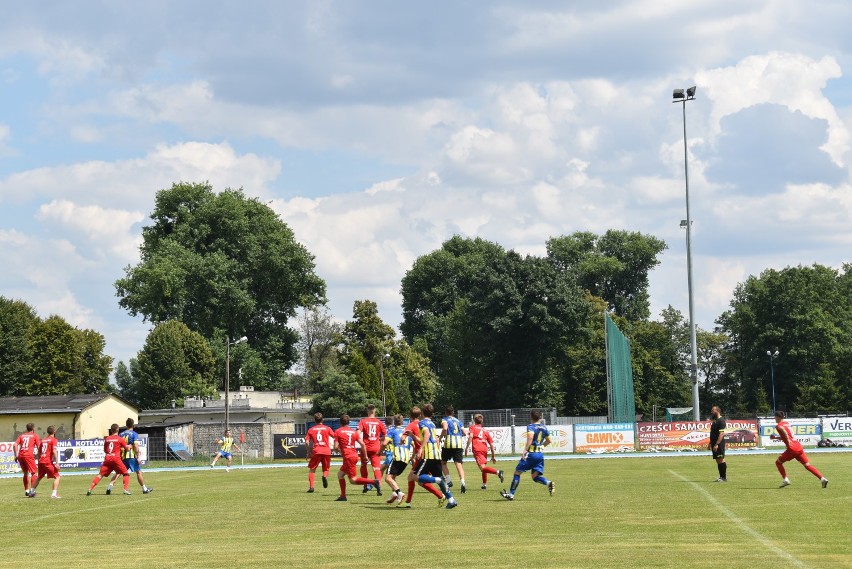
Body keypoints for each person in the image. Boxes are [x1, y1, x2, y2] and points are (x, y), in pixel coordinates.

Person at [408, 403, 457, 509]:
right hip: (436, 454)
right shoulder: (433, 424)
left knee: (415, 476)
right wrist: (413, 436)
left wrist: (420, 449)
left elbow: (427, 435)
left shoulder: (421, 423)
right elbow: (427, 438)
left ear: (422, 413)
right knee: (439, 479)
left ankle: (437, 480)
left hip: (428, 454)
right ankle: (451, 500)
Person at [501, 410, 554, 501]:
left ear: (531, 417)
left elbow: (530, 437)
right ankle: (548, 483)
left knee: (517, 473)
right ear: (540, 417)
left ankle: (511, 494)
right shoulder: (544, 427)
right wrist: (541, 446)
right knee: (534, 477)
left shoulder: (531, 426)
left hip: (531, 454)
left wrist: (525, 450)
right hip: (540, 455)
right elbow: (549, 440)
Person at [772, 411, 828, 489]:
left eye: (775, 417)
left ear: (778, 417)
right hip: (798, 447)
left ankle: (786, 479)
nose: (774, 419)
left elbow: (784, 433)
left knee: (778, 462)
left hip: (792, 449)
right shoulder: (787, 423)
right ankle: (822, 479)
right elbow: (787, 435)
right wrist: (776, 438)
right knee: (807, 465)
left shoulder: (779, 426)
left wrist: (788, 441)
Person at [332, 414, 381, 501]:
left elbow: (335, 447)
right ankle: (343, 496)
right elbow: (362, 444)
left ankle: (374, 482)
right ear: (349, 422)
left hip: (348, 457)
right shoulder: (353, 432)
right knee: (340, 474)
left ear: (340, 422)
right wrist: (365, 456)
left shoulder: (338, 431)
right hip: (354, 455)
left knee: (353, 480)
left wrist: (340, 450)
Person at [107, 418, 152, 495]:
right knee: (138, 472)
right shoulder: (134, 434)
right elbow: (135, 445)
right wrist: (138, 456)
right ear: (133, 425)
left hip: (123, 456)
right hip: (131, 456)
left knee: (118, 472)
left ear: (126, 425)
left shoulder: (121, 434)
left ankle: (109, 488)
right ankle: (144, 489)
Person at [87, 423, 131, 495]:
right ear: (118, 430)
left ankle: (90, 489)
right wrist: (130, 446)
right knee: (125, 473)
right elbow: (127, 449)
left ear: (111, 430)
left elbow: (105, 450)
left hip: (108, 458)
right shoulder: (120, 439)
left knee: (100, 475)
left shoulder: (107, 439)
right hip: (116, 459)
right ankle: (125, 490)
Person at [465, 413, 503, 489]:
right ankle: (484, 484)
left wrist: (466, 448)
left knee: (482, 468)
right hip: (484, 449)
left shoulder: (472, 427)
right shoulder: (485, 431)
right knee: (484, 467)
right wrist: (493, 456)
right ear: (482, 421)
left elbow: (471, 436)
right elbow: (492, 444)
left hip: (477, 449)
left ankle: (498, 472)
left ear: (474, 420)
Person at [357, 404, 387, 495]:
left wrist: (359, 440)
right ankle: (378, 486)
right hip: (376, 448)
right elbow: (386, 435)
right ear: (375, 411)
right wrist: (379, 439)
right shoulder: (379, 422)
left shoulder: (363, 421)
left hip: (365, 448)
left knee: (363, 466)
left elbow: (357, 433)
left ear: (367, 411)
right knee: (376, 468)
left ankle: (365, 485)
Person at [382, 414, 412, 505]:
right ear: (402, 422)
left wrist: (379, 452)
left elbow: (384, 443)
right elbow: (413, 445)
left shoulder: (392, 430)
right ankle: (394, 494)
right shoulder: (407, 431)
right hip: (406, 458)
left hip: (398, 456)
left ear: (394, 421)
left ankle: (399, 493)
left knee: (387, 478)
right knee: (393, 477)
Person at [305, 412, 335, 493]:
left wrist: (308, 452)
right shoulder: (327, 428)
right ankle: (324, 476)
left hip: (316, 451)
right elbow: (335, 436)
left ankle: (311, 487)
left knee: (312, 469)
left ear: (315, 420)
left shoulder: (311, 430)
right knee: (326, 469)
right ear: (323, 420)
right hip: (326, 451)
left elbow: (307, 442)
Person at [440, 405, 467, 493]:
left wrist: (440, 438)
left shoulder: (445, 420)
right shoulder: (458, 421)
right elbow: (464, 433)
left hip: (449, 443)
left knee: (443, 463)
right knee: (458, 464)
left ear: (446, 412)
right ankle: (463, 482)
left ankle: (448, 480)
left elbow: (444, 428)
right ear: (453, 412)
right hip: (458, 443)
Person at [400, 406, 423, 508]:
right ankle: (408, 502)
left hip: (420, 454)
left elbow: (403, 436)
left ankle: (442, 494)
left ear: (410, 416)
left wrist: (402, 440)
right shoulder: (424, 424)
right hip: (430, 453)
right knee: (416, 478)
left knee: (415, 478)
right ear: (420, 415)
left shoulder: (411, 425)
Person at [30, 425, 61, 499]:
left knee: (39, 477)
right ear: (54, 431)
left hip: (41, 461)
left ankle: (31, 492)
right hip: (47, 461)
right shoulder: (54, 440)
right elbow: (54, 451)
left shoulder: (43, 440)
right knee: (57, 476)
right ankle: (54, 494)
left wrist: (41, 458)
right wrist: (57, 462)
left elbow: (39, 451)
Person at [13, 422, 40, 497]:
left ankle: (26, 490)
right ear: (33, 428)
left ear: (27, 428)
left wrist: (16, 455)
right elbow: (39, 446)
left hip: (21, 455)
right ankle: (32, 491)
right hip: (28, 455)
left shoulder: (22, 435)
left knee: (25, 473)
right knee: (34, 473)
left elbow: (15, 444)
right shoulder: (35, 436)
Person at [709, 405, 727, 482]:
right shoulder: (715, 421)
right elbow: (713, 433)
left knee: (720, 459)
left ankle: (723, 477)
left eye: (713, 410)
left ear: (718, 411)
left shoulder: (721, 421)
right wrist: (710, 443)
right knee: (718, 460)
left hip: (719, 443)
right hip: (714, 443)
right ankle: (721, 477)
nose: (711, 412)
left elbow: (721, 434)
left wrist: (717, 444)